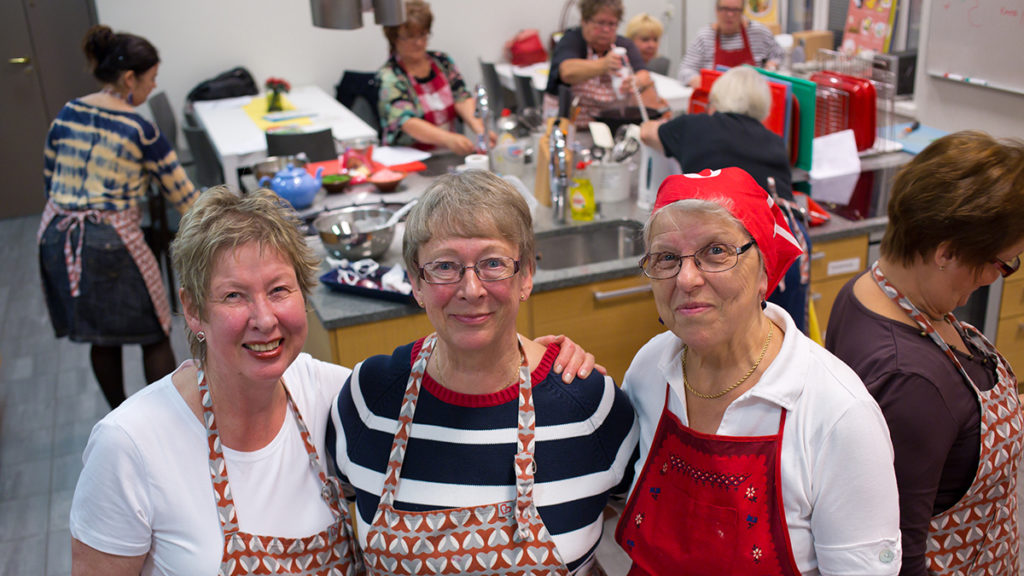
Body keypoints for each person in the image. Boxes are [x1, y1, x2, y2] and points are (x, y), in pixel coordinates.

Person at [69, 186, 599, 575]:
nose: (263, 319)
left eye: (279, 290)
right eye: (233, 296)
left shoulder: (340, 397)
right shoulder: (131, 444)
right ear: (192, 310)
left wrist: (536, 353)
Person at [328, 170, 639, 575]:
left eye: (492, 263)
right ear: (415, 282)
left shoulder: (589, 406)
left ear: (526, 274)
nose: (471, 289)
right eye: (444, 266)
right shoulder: (369, 398)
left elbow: (652, 532)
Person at [615, 168, 902, 575]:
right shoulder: (650, 368)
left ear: (765, 270)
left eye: (716, 251)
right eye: (666, 257)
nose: (687, 278)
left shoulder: (839, 413)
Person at [826, 131, 1024, 576]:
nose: (997, 278)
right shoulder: (912, 381)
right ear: (946, 252)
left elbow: (954, 430)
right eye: (1001, 263)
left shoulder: (870, 289)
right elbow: (898, 553)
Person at [38, 25, 198, 409]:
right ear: (130, 79)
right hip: (109, 241)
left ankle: (119, 415)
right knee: (155, 334)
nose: (150, 89)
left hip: (56, 235)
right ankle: (165, 419)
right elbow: (186, 199)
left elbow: (49, 177)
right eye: (151, 80)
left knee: (101, 337)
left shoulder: (68, 112)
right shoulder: (139, 129)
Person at [640, 65, 810, 332]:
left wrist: (657, 121)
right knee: (781, 334)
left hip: (732, 244)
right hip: (786, 240)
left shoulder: (695, 126)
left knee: (720, 332)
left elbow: (647, 133)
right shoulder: (774, 140)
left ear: (714, 101)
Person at [377, 0, 490, 155]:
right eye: (410, 37)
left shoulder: (442, 61)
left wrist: (480, 130)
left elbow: (461, 97)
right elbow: (406, 122)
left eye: (423, 35)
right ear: (394, 39)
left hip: (444, 153)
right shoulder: (390, 75)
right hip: (410, 157)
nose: (419, 43)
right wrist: (448, 139)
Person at [545, 0, 665, 126]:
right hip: (573, 127)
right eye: (600, 23)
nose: (606, 29)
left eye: (612, 24)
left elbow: (644, 75)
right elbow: (567, 71)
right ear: (584, 21)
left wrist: (636, 82)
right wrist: (603, 65)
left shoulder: (624, 46)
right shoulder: (571, 41)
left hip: (610, 125)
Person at [677, 0, 783, 89]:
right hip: (716, 102)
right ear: (716, 10)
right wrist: (704, 82)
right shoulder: (705, 36)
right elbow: (685, 71)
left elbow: (778, 55)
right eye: (725, 9)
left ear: (742, 11)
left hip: (752, 102)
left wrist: (771, 67)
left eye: (735, 10)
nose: (730, 14)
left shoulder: (759, 33)